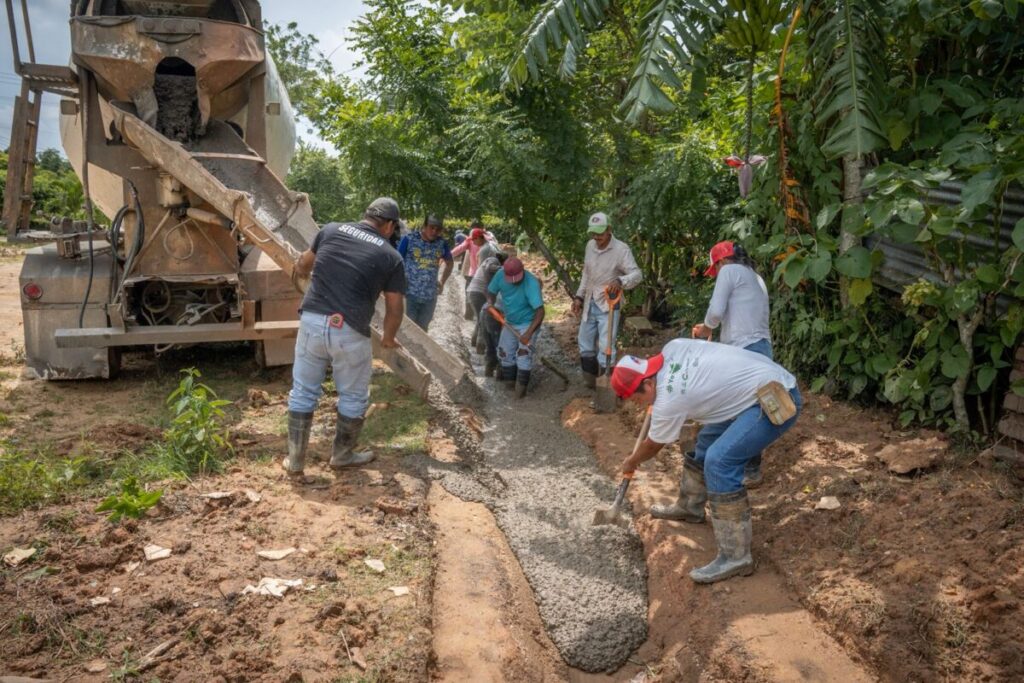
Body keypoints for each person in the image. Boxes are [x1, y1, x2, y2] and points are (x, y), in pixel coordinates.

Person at [611, 339, 802, 583]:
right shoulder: (673, 347)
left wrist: (631, 461)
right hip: (752, 389)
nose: (639, 405)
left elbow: (653, 445)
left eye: (637, 400)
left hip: (774, 397)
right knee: (706, 443)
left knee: (719, 461)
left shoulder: (669, 400)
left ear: (648, 383)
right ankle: (690, 507)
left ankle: (736, 556)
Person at [282, 197, 406, 478]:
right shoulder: (391, 256)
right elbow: (395, 308)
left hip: (312, 321)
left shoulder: (331, 230)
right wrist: (388, 338)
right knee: (353, 395)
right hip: (348, 330)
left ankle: (295, 462)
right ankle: (342, 455)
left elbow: (303, 264)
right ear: (388, 225)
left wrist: (301, 270)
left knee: (303, 391)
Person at [687, 240, 772, 489]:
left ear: (722, 261)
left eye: (716, 268)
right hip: (762, 350)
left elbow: (714, 312)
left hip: (743, 351)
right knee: (753, 411)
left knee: (729, 409)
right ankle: (752, 470)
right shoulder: (755, 277)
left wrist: (705, 329)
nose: (717, 274)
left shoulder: (729, 271)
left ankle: (708, 464)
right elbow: (738, 314)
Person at [571, 212, 643, 388]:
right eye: (594, 234)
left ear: (609, 230)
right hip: (590, 301)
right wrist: (579, 296)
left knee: (606, 346)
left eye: (600, 234)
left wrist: (620, 281)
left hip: (609, 304)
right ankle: (591, 385)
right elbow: (586, 275)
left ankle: (605, 386)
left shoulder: (621, 250)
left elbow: (637, 274)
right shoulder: (590, 246)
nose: (597, 238)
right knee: (585, 343)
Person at [486, 256, 544, 398]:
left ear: (523, 270)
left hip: (528, 323)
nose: (514, 281)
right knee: (504, 353)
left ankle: (520, 395)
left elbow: (540, 312)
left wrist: (528, 334)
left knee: (523, 355)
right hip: (510, 321)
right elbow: (490, 291)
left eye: (516, 278)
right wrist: (490, 303)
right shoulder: (500, 275)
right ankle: (509, 389)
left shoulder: (531, 283)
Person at [397, 215, 454, 331]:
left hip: (430, 296)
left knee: (423, 329)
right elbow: (396, 261)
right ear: (424, 226)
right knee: (407, 328)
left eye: (438, 229)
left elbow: (450, 263)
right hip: (409, 293)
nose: (434, 231)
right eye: (431, 227)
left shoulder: (441, 243)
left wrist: (442, 282)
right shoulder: (409, 239)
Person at [466, 245, 510, 357]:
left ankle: (475, 343)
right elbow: (489, 267)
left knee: (480, 320)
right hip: (478, 293)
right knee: (482, 321)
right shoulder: (492, 260)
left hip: (475, 292)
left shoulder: (492, 262)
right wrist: (505, 269)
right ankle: (481, 347)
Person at [452, 222, 497, 319]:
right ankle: (473, 314)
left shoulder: (487, 243)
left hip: (479, 274)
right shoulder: (472, 240)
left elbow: (459, 249)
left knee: (473, 294)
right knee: (477, 294)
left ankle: (477, 315)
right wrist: (447, 256)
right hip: (476, 273)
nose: (473, 240)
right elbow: (459, 249)